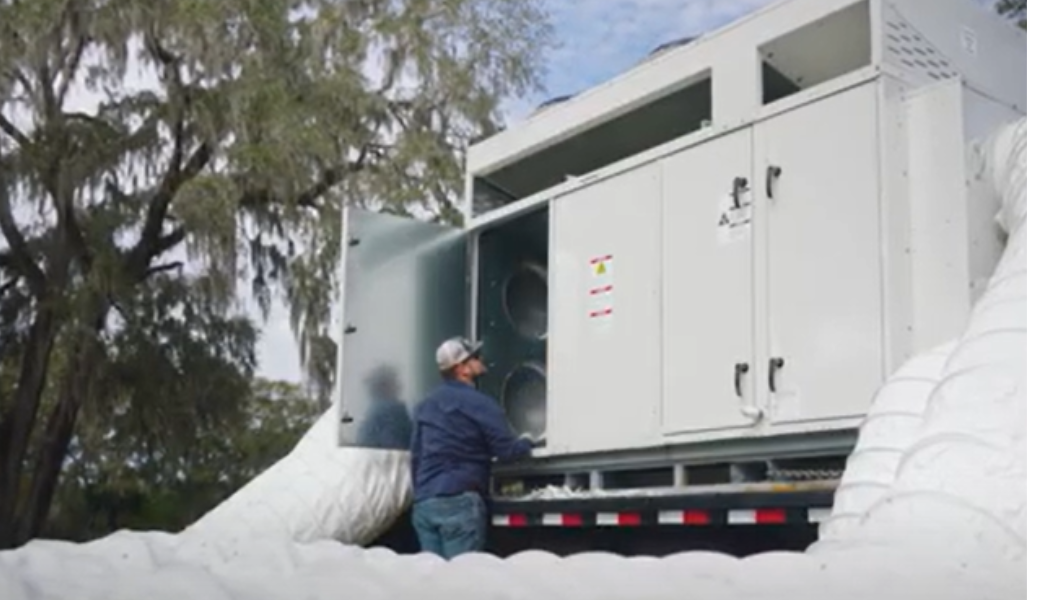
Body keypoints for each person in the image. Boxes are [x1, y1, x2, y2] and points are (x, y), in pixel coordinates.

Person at [409, 337, 541, 559]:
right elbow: (506, 451)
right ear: (462, 369)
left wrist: (423, 493)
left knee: (433, 583)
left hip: (425, 505)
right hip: (459, 504)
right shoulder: (480, 403)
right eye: (475, 357)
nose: (482, 360)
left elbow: (416, 457)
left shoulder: (425, 405)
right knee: (461, 582)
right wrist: (527, 442)